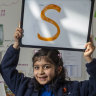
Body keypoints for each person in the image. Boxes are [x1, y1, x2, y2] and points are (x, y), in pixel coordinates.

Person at [0, 27, 96, 96]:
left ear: (58, 69)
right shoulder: (24, 87)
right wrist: (16, 44)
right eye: (37, 67)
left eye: (46, 67)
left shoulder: (73, 89)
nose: (41, 72)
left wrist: (89, 58)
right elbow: (6, 68)